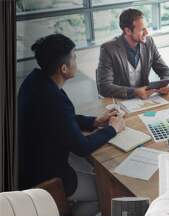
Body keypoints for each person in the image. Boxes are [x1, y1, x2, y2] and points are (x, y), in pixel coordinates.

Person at [18, 34, 125, 197]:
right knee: (109, 191)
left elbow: (61, 119)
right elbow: (82, 147)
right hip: (47, 179)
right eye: (74, 57)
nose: (77, 61)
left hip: (28, 168)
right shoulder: (54, 100)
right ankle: (65, 212)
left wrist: (95, 121)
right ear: (64, 68)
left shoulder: (35, 81)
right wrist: (112, 129)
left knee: (93, 178)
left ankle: (68, 211)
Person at [97, 8, 169, 99]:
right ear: (128, 31)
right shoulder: (108, 49)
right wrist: (134, 92)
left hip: (144, 101)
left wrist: (166, 84)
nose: (146, 32)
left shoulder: (149, 42)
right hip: (120, 101)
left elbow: (165, 70)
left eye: (146, 28)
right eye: (142, 30)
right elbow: (104, 86)